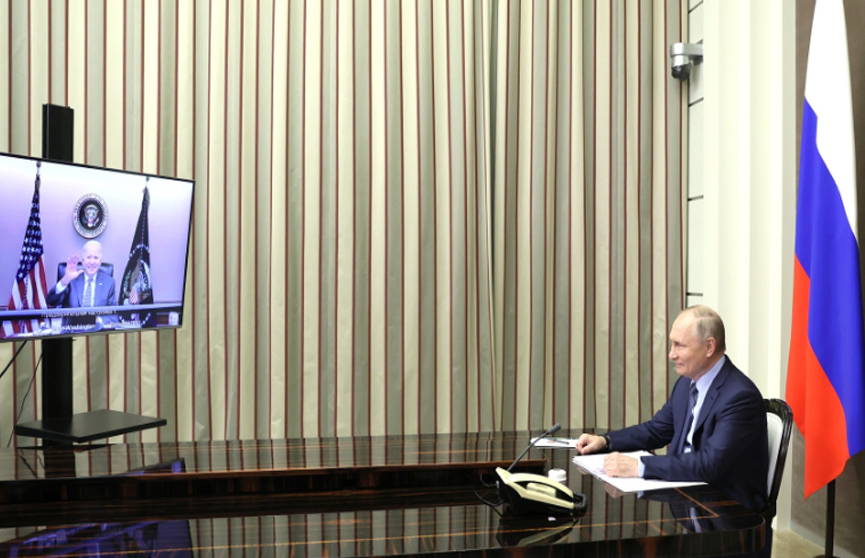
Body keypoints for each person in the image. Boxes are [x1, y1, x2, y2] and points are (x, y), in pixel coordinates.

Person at [575, 305, 769, 515]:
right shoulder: (686, 384)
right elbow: (656, 430)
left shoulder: (740, 397)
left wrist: (639, 466)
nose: (671, 354)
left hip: (725, 512)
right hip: (682, 497)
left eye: (679, 345)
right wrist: (605, 441)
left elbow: (709, 464)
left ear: (709, 347)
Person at [46, 240, 117, 309]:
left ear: (100, 262)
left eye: (96, 258)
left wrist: (97, 317)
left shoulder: (109, 282)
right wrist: (66, 279)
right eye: (88, 257)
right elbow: (51, 302)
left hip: (99, 318)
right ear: (83, 261)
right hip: (73, 318)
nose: (92, 262)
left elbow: (113, 313)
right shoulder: (71, 280)